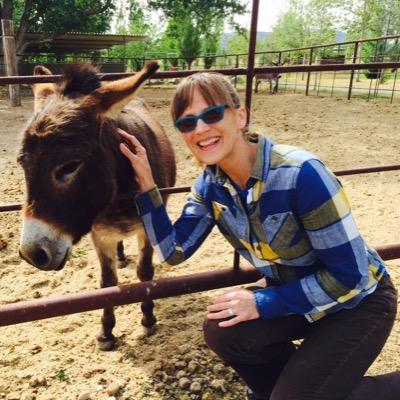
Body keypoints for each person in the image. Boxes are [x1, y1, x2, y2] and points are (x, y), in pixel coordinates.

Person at [117, 72, 399, 400]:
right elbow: (173, 251)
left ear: (240, 116)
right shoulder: (210, 187)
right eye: (187, 123)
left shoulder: (301, 174)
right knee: (223, 329)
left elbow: (349, 275)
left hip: (358, 303)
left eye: (211, 115)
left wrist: (263, 302)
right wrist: (149, 189)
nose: (200, 129)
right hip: (300, 298)